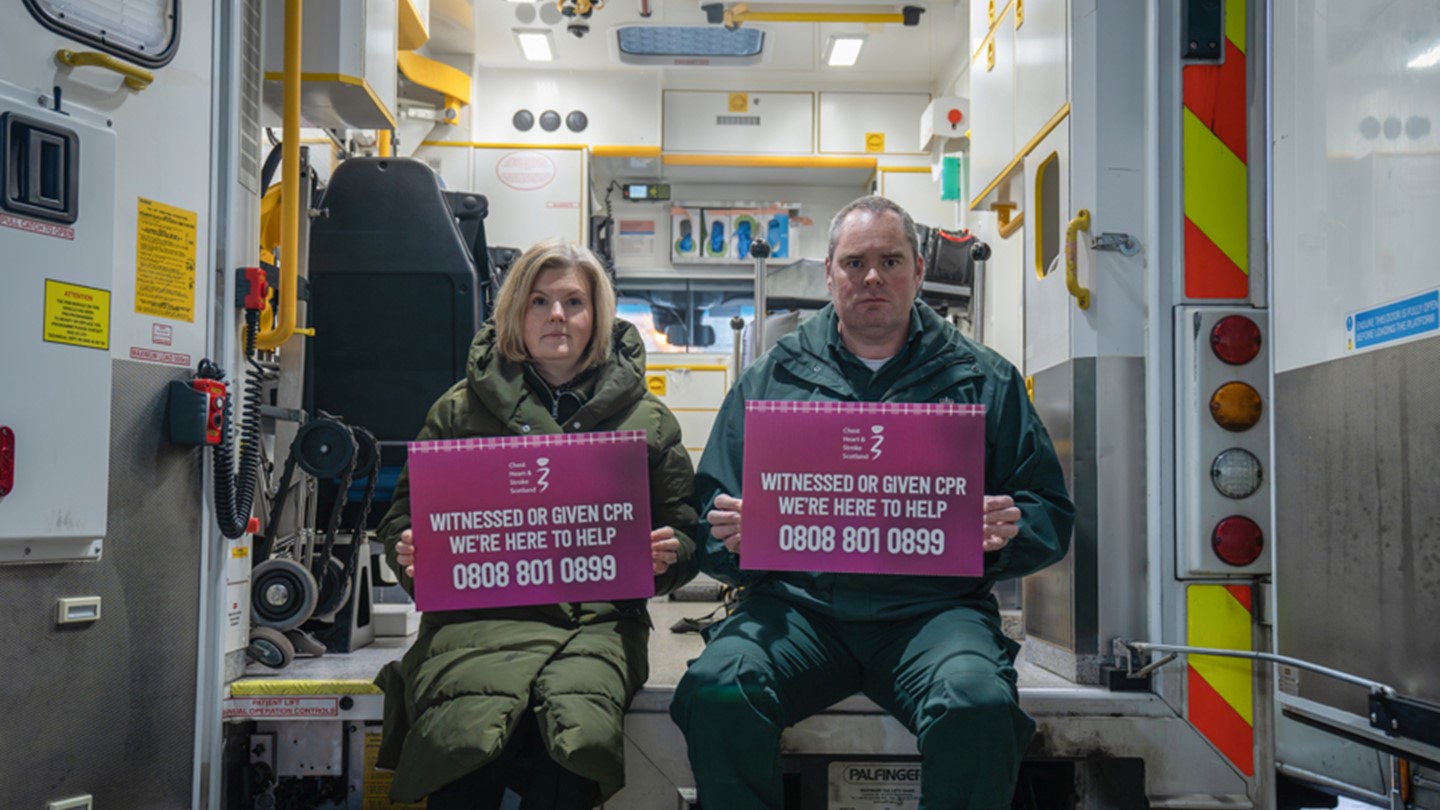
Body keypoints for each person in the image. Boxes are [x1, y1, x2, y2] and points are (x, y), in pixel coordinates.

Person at [669, 196, 1075, 809]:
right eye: (855, 262)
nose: (872, 277)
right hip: (798, 612)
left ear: (917, 269)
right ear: (830, 272)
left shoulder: (983, 379)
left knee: (979, 703)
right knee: (717, 688)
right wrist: (734, 540)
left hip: (931, 615)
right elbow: (707, 514)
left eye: (890, 260)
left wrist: (1011, 528)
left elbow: (1048, 511)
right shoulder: (770, 379)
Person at [373, 238, 699, 809]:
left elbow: (684, 530)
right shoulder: (456, 409)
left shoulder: (649, 420)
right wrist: (410, 553)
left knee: (572, 748)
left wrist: (668, 557)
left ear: (596, 315)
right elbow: (404, 518)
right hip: (475, 622)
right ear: (515, 312)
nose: (557, 315)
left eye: (574, 302)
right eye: (540, 301)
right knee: (460, 746)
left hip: (594, 626)